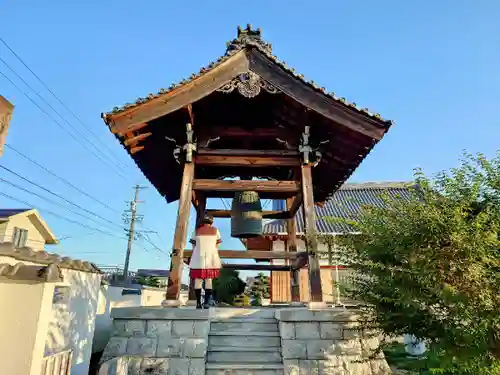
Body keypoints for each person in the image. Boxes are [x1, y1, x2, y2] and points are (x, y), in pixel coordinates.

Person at [189, 214, 222, 309]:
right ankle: (207, 303)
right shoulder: (215, 230)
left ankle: (198, 303)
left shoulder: (196, 230)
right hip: (211, 257)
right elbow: (217, 244)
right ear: (212, 221)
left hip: (198, 257)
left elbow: (193, 245)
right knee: (209, 280)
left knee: (198, 280)